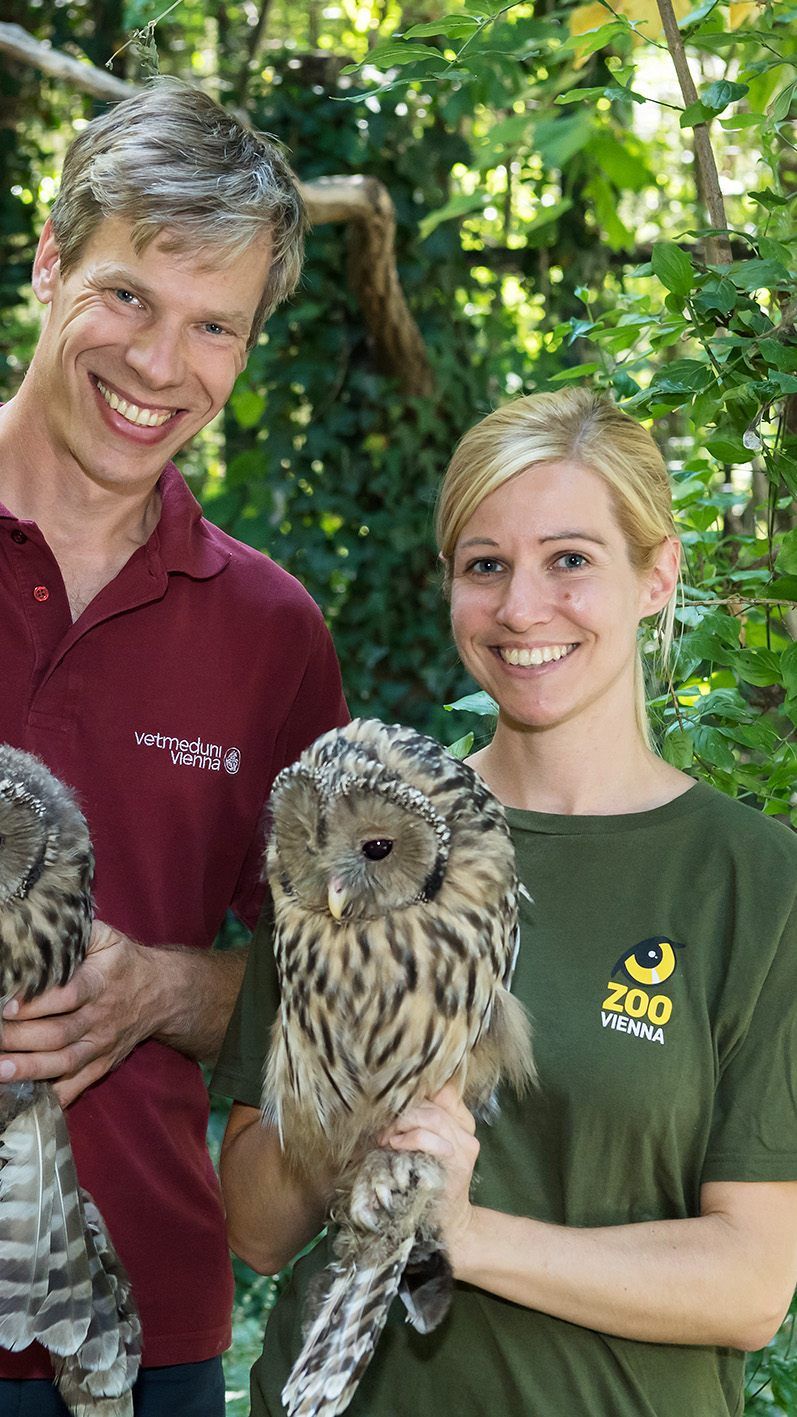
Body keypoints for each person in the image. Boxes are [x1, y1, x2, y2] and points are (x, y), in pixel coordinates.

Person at [212, 387, 797, 1416]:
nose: (522, 607)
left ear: (655, 574)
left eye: (568, 559)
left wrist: (466, 1235)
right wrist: (363, 1088)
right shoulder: (362, 829)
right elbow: (254, 1227)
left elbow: (749, 1283)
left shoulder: (748, 880)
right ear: (449, 586)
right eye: (485, 566)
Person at [0, 78, 347, 1416]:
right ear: (47, 260)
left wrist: (160, 988)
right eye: (130, 295)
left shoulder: (271, 635)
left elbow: (324, 986)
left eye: (214, 326)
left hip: (140, 1346)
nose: (158, 365)